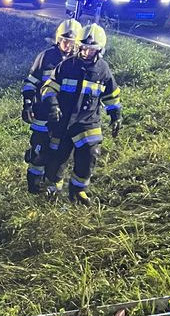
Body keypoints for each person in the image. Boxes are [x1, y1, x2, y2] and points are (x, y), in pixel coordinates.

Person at [41, 24, 122, 204]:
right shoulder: (66, 66)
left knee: (89, 154)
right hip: (62, 121)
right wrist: (53, 106)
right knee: (57, 157)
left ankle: (78, 190)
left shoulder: (103, 70)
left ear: (99, 50)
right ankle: (52, 188)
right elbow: (49, 88)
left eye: (91, 50)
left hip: (87, 122)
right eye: (83, 48)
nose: (86, 53)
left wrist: (116, 115)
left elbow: (111, 95)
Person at [22, 19, 83, 193]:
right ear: (58, 39)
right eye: (65, 41)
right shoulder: (46, 57)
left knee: (58, 155)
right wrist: (27, 104)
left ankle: (52, 189)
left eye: (72, 42)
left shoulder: (79, 62)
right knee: (40, 152)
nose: (68, 45)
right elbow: (31, 82)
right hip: (42, 115)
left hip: (64, 118)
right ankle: (34, 186)